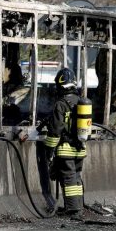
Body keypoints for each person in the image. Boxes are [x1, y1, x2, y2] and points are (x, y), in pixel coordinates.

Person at [41, 67, 86, 217]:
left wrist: (49, 149)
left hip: (66, 149)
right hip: (80, 148)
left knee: (68, 178)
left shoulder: (61, 104)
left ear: (60, 85)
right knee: (76, 177)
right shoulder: (81, 101)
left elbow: (55, 131)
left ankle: (72, 209)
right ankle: (78, 206)